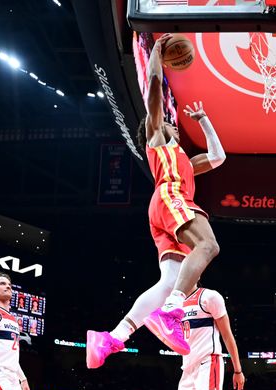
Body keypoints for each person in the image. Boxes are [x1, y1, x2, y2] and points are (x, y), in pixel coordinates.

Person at [86, 32, 226, 368]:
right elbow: (152, 87)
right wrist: (157, 54)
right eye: (168, 122)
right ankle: (172, 311)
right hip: (170, 198)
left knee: (168, 281)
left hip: (165, 209)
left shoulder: (184, 160)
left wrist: (204, 121)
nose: (173, 125)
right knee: (209, 246)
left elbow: (218, 157)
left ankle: (113, 337)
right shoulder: (158, 139)